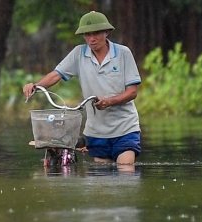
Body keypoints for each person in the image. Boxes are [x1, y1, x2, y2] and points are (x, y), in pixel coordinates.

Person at [23, 11, 141, 166]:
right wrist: (36, 86)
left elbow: (132, 92)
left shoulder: (123, 53)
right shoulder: (79, 53)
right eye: (87, 35)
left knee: (126, 171)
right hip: (96, 131)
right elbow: (56, 74)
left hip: (125, 127)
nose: (91, 39)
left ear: (106, 32)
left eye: (96, 33)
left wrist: (110, 101)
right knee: (101, 179)